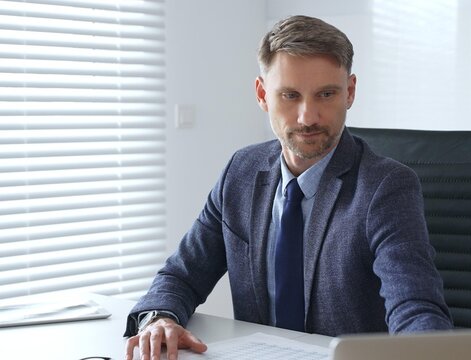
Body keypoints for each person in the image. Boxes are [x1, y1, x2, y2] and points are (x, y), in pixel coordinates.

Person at [124, 15, 453, 360]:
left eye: (326, 94)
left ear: (350, 92)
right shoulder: (241, 172)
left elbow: (415, 306)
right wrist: (158, 318)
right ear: (263, 95)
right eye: (290, 95)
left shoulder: (385, 187)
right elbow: (182, 274)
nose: (307, 117)